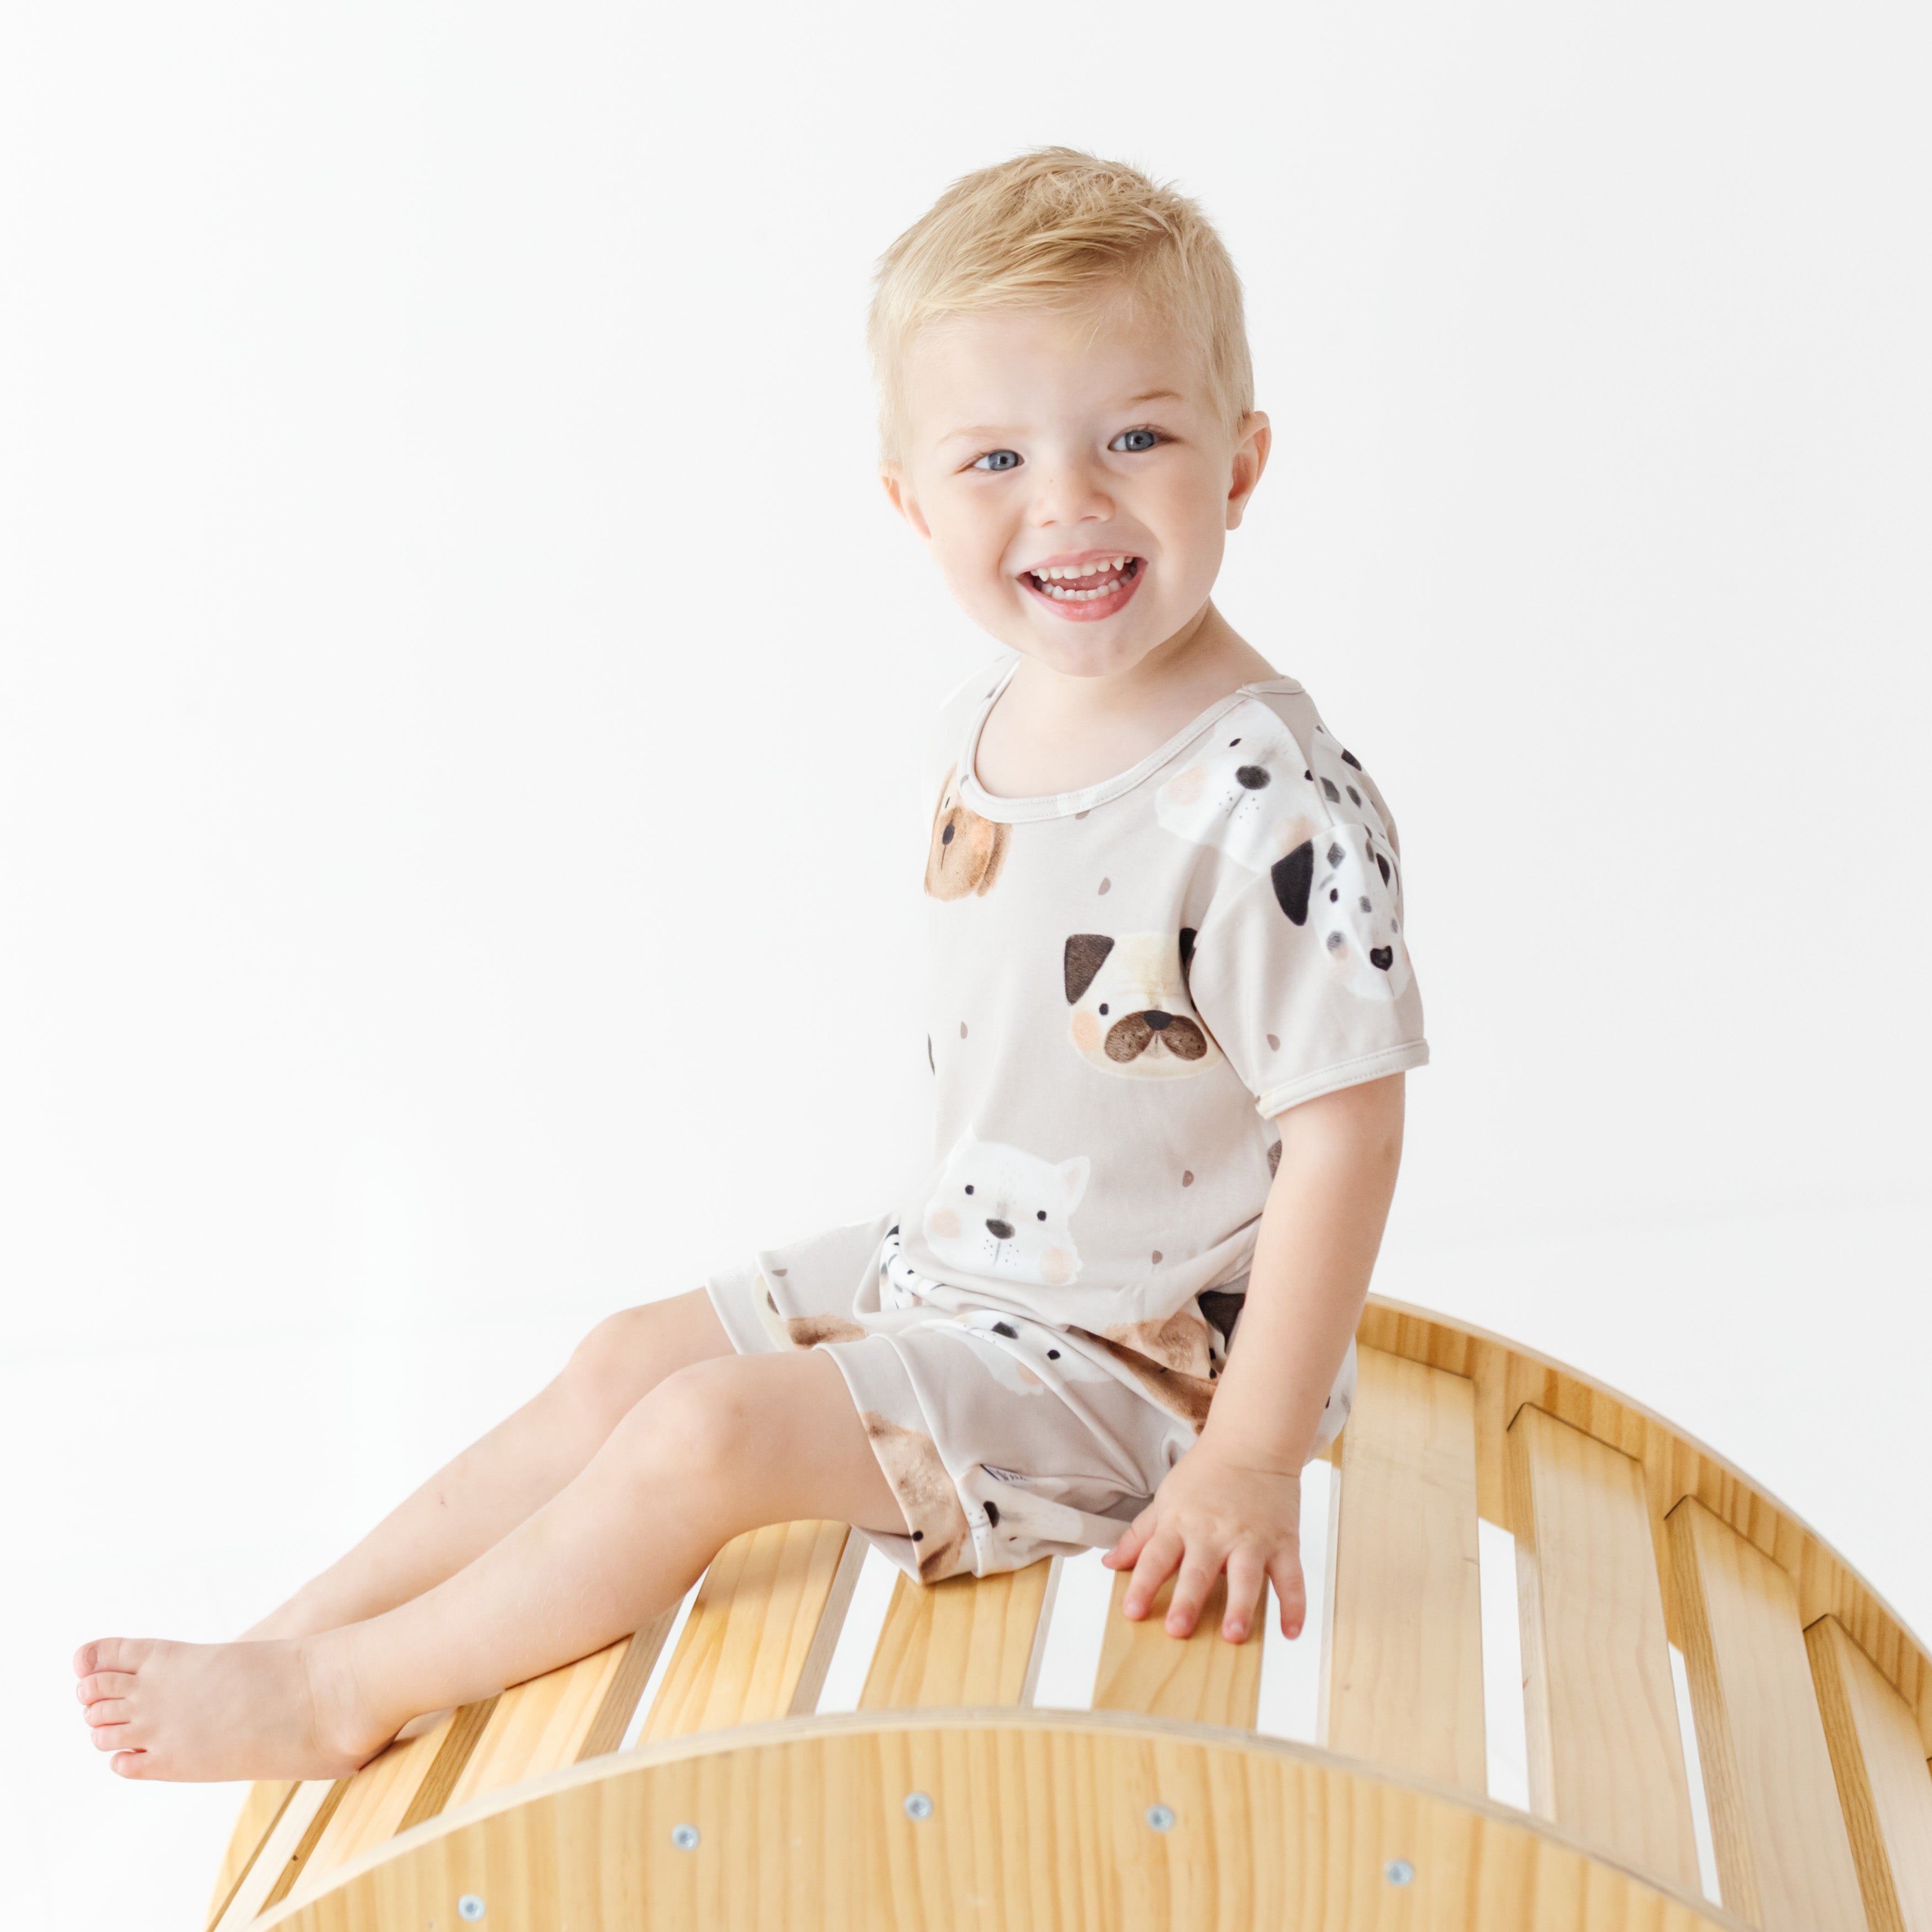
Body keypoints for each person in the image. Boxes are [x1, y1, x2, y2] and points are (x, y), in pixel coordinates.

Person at [74, 147, 1426, 1781]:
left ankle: (349, 1691)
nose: (1068, 501)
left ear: (1244, 461)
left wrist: (1251, 1461)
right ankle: (298, 1628)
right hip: (974, 1265)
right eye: (996, 456)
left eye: (1136, 437)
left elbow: (1347, 1128)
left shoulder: (1267, 800)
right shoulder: (988, 722)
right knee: (625, 1362)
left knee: (706, 1434)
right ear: (909, 501)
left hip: (1138, 1375)